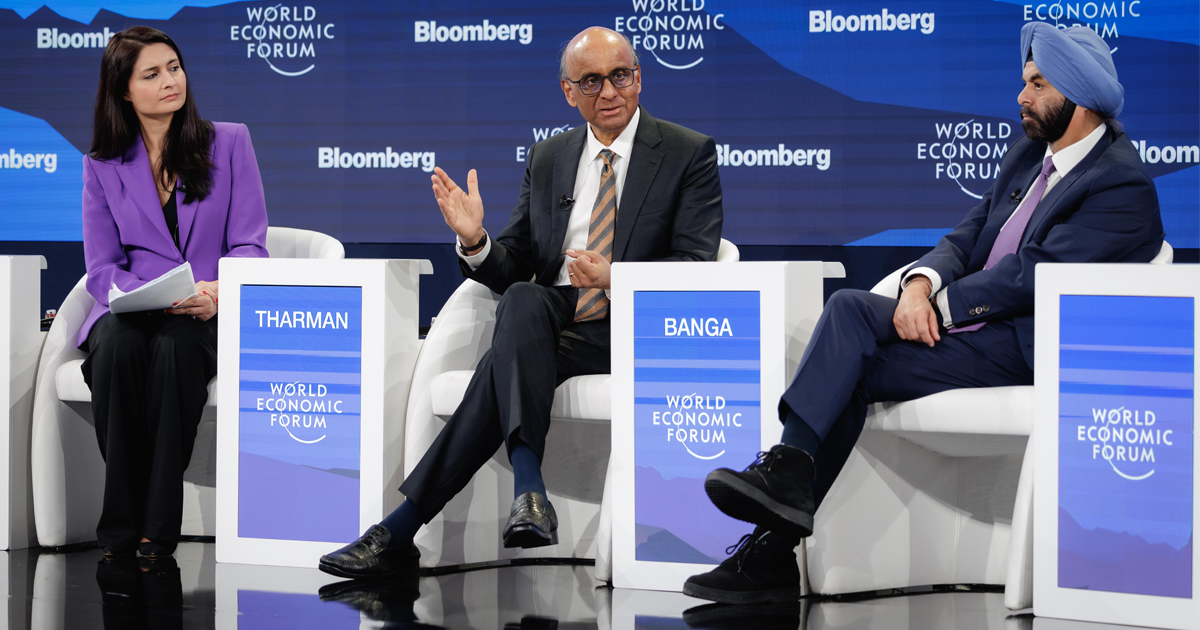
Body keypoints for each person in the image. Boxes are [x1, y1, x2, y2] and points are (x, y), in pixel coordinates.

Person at [684, 22, 1163, 604]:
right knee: (850, 355)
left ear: (1079, 97)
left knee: (850, 314)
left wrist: (940, 307)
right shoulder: (1027, 159)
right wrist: (919, 283)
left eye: (1037, 84)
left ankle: (782, 493)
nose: (1022, 97)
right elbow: (964, 238)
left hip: (1031, 348)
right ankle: (774, 539)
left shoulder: (1122, 185)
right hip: (975, 334)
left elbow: (1033, 274)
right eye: (1024, 82)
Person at [319, 26, 724, 579]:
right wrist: (475, 241)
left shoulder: (686, 153)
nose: (608, 92)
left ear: (638, 78)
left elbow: (698, 266)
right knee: (528, 297)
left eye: (620, 76)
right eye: (591, 81)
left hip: (636, 325)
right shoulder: (551, 155)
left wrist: (617, 277)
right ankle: (521, 496)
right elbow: (515, 264)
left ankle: (409, 527)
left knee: (500, 364)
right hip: (553, 319)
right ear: (568, 92)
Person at [81, 26, 269, 558]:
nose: (170, 81)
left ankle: (158, 528)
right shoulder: (102, 166)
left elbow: (251, 245)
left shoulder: (229, 142)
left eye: (174, 68)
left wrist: (215, 293)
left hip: (203, 312)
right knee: (116, 348)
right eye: (152, 74)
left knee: (174, 349)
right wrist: (150, 293)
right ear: (124, 90)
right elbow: (101, 269)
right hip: (133, 308)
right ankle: (119, 524)